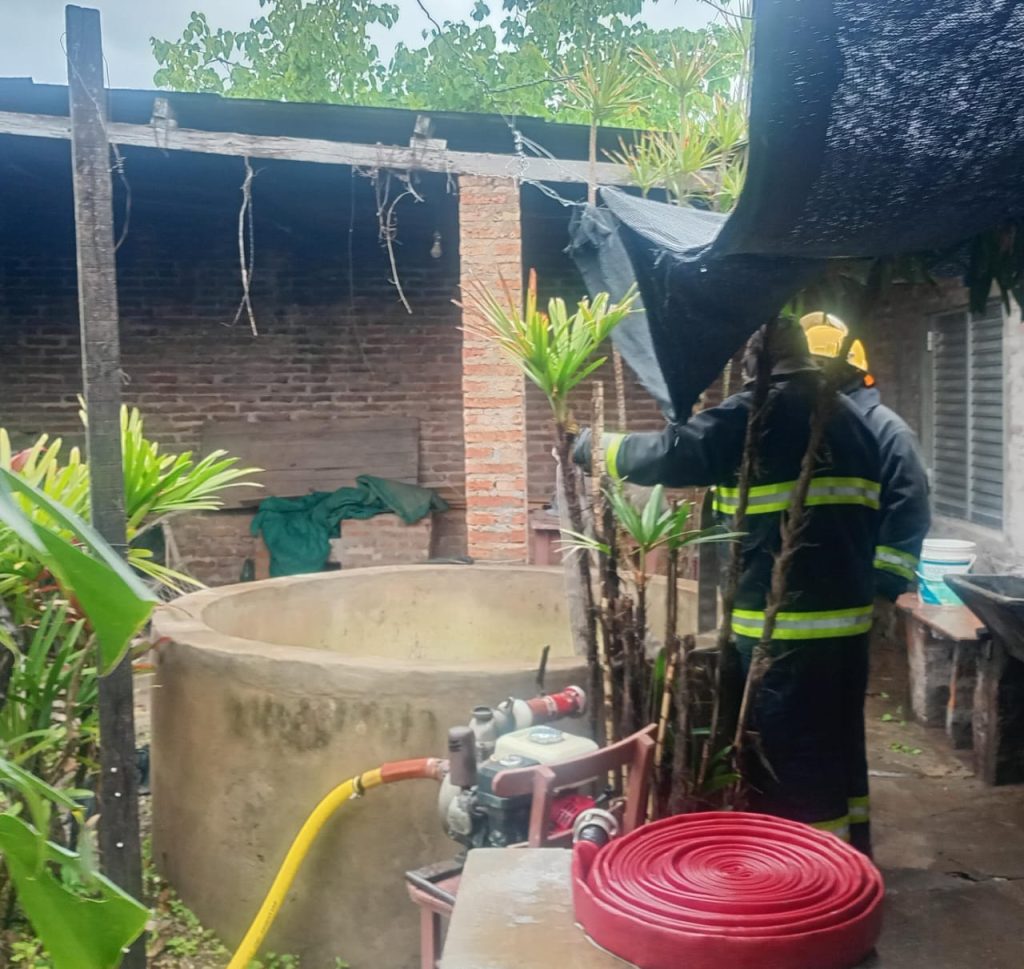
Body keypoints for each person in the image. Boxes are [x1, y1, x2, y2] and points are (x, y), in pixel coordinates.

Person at [574, 318, 881, 854]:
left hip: (781, 634)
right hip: (848, 630)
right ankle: (851, 865)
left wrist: (593, 447)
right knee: (838, 755)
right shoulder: (852, 419)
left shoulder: (765, 410)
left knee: (788, 767)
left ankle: (796, 880)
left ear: (755, 365)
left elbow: (677, 453)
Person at [800, 312, 931, 602]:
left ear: (847, 372)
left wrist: (882, 584)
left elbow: (909, 510)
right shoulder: (807, 426)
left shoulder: (888, 432)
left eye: (816, 369)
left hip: (865, 598)